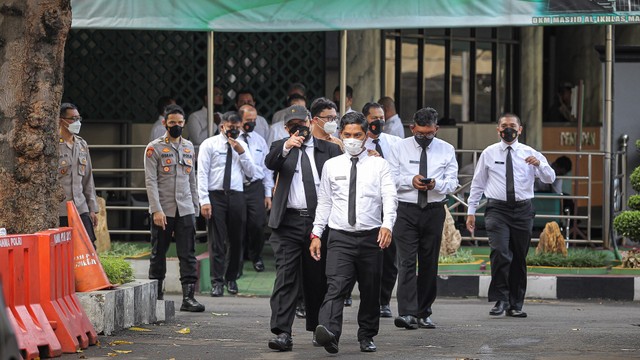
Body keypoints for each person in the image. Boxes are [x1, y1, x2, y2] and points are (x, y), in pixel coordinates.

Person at [310, 112, 398, 354]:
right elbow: (325, 202)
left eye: (357, 135)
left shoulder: (379, 164)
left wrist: (387, 224)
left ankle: (367, 335)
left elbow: (390, 197)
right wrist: (316, 234)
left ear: (365, 135)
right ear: (340, 135)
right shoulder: (331, 166)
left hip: (371, 236)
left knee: (370, 290)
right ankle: (329, 333)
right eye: (347, 135)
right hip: (340, 236)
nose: (352, 139)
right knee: (335, 286)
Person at [266, 105, 342, 352]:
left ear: (311, 123)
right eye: (293, 125)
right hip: (287, 222)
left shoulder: (328, 149)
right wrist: (289, 144)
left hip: (318, 223)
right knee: (286, 277)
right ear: (287, 128)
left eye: (303, 123)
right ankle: (282, 333)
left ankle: (317, 328)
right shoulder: (281, 148)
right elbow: (270, 162)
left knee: (317, 278)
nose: (300, 128)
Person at [466, 113, 555, 318]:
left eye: (512, 125)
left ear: (520, 129)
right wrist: (471, 211)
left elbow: (550, 178)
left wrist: (539, 165)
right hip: (497, 209)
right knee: (500, 251)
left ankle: (516, 304)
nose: (508, 129)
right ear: (498, 129)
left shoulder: (530, 152)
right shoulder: (489, 153)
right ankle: (500, 299)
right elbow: (478, 183)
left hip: (523, 210)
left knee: (518, 257)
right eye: (504, 125)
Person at [387, 107, 459, 330]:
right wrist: (411, 181)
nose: (425, 138)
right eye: (420, 134)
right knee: (407, 261)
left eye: (429, 134)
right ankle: (407, 313)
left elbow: (453, 183)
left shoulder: (446, 150)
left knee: (429, 263)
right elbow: (390, 177)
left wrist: (436, 184)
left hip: (433, 209)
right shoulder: (399, 147)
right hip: (406, 210)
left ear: (436, 129)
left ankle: (424, 312)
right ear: (412, 128)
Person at [144, 104, 205, 312]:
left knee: (187, 254)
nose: (176, 126)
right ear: (164, 123)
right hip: (164, 209)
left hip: (185, 208)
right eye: (172, 123)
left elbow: (192, 180)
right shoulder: (154, 148)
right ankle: (155, 297)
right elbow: (150, 181)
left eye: (180, 123)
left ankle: (188, 298)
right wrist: (156, 210)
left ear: (184, 123)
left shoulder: (188, 147)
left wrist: (195, 208)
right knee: (158, 253)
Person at [198, 111, 256, 297]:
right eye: (231, 128)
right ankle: (217, 281)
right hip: (216, 195)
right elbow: (202, 174)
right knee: (217, 240)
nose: (234, 131)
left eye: (237, 128)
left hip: (237, 195)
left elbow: (251, 173)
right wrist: (204, 200)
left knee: (237, 239)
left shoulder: (243, 145)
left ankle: (231, 278)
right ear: (222, 126)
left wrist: (241, 151)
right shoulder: (210, 144)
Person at [362, 102, 402, 318]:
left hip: (389, 205)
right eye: (374, 118)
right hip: (366, 205)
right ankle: (365, 297)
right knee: (365, 254)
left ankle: (384, 300)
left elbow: (401, 171)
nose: (378, 122)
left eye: (381, 118)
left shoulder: (394, 143)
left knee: (389, 256)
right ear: (365, 118)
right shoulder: (357, 143)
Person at [238, 104, 274, 272]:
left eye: (254, 120)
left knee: (258, 224)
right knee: (239, 223)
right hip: (237, 187)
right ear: (239, 121)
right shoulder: (232, 139)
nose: (251, 123)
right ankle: (238, 258)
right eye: (248, 120)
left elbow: (267, 168)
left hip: (256, 187)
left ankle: (256, 256)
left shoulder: (259, 140)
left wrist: (268, 193)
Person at [58, 103, 99, 246]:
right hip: (60, 210)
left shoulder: (82, 145)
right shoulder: (53, 145)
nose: (77, 122)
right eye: (72, 119)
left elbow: (88, 179)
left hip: (81, 207)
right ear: (60, 120)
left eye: (78, 118)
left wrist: (92, 208)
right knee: (63, 250)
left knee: (89, 248)